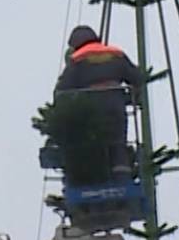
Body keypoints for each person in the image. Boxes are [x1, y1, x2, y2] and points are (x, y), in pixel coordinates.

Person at [43, 26, 140, 186]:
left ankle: (96, 179)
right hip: (115, 104)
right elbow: (136, 78)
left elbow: (62, 91)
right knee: (118, 144)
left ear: (75, 44)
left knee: (94, 144)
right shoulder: (116, 53)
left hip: (92, 108)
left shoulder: (77, 59)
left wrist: (60, 113)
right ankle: (122, 181)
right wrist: (133, 97)